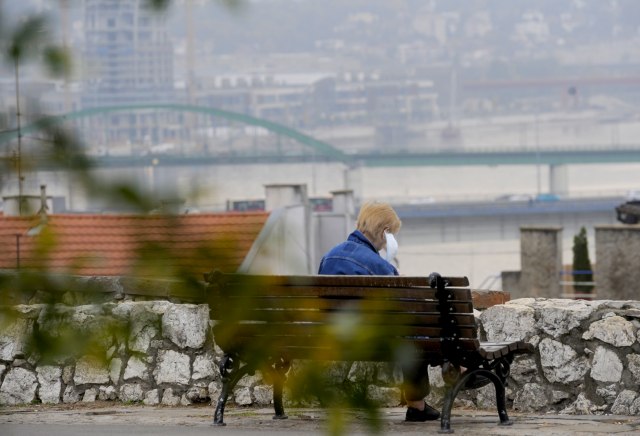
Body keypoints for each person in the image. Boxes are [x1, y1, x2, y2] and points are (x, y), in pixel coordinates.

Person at [318, 201, 440, 422]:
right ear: (385, 232)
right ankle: (418, 403)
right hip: (371, 340)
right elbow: (404, 305)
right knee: (416, 332)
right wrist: (394, 271)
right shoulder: (377, 265)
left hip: (335, 336)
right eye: (391, 235)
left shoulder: (329, 257)